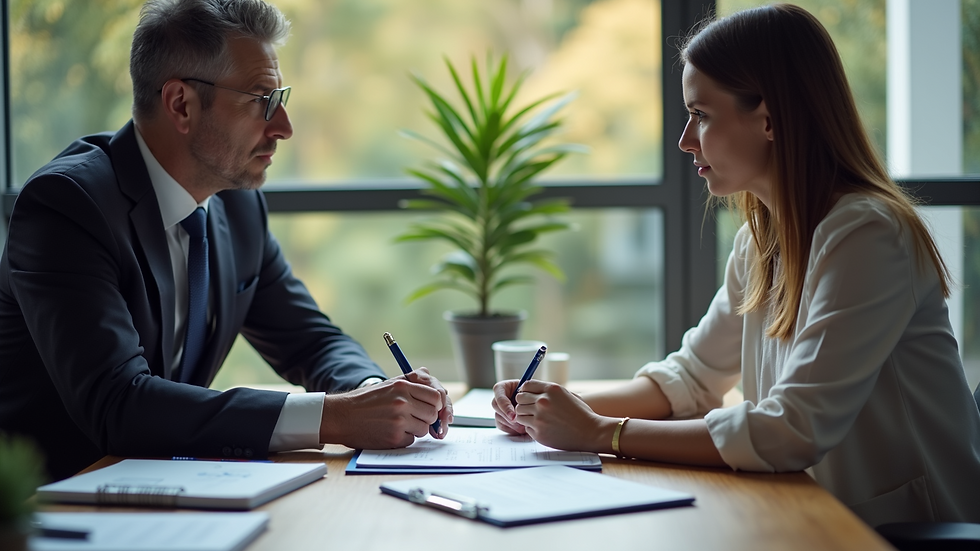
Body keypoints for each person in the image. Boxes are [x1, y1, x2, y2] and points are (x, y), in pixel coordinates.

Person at [493, 3, 980, 527]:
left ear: (769, 118)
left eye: (701, 114)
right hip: (808, 513)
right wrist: (553, 406)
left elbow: (791, 430)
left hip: (905, 530)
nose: (684, 139)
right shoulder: (762, 238)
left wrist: (597, 433)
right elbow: (690, 380)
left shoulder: (868, 234)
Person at [0, 0, 452, 482]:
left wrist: (375, 393)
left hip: (164, 489)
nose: (284, 128)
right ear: (181, 105)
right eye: (263, 100)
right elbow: (118, 403)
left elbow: (309, 341)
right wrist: (333, 417)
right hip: (48, 506)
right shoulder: (68, 206)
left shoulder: (236, 206)